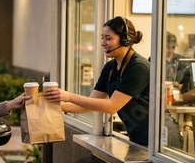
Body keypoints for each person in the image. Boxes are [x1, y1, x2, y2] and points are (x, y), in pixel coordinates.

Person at [43, 16, 150, 146]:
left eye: (108, 38)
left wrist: (69, 96)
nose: (102, 43)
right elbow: (88, 105)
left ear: (125, 40)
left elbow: (112, 106)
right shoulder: (110, 68)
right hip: (138, 138)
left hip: (157, 141)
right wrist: (54, 107)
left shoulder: (138, 67)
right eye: (102, 38)